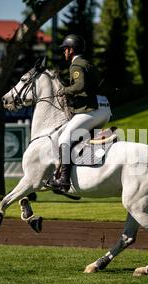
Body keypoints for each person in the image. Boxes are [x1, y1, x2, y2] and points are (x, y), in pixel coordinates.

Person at [47, 34, 111, 193]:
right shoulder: (89, 63)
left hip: (92, 111)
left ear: (71, 50)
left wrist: (63, 90)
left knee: (64, 138)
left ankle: (63, 180)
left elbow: (79, 86)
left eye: (65, 49)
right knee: (79, 138)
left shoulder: (76, 65)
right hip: (105, 110)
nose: (64, 52)